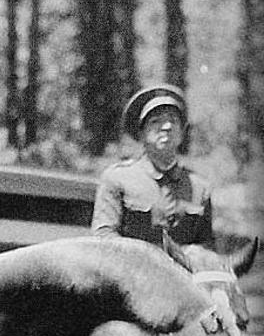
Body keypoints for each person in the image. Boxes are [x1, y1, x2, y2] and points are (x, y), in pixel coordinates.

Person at [91, 83, 214, 248]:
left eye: (173, 121)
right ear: (141, 133)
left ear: (182, 133)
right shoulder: (118, 179)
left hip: (182, 272)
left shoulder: (200, 187)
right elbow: (103, 239)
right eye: (156, 121)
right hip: (129, 270)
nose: (167, 127)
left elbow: (204, 249)